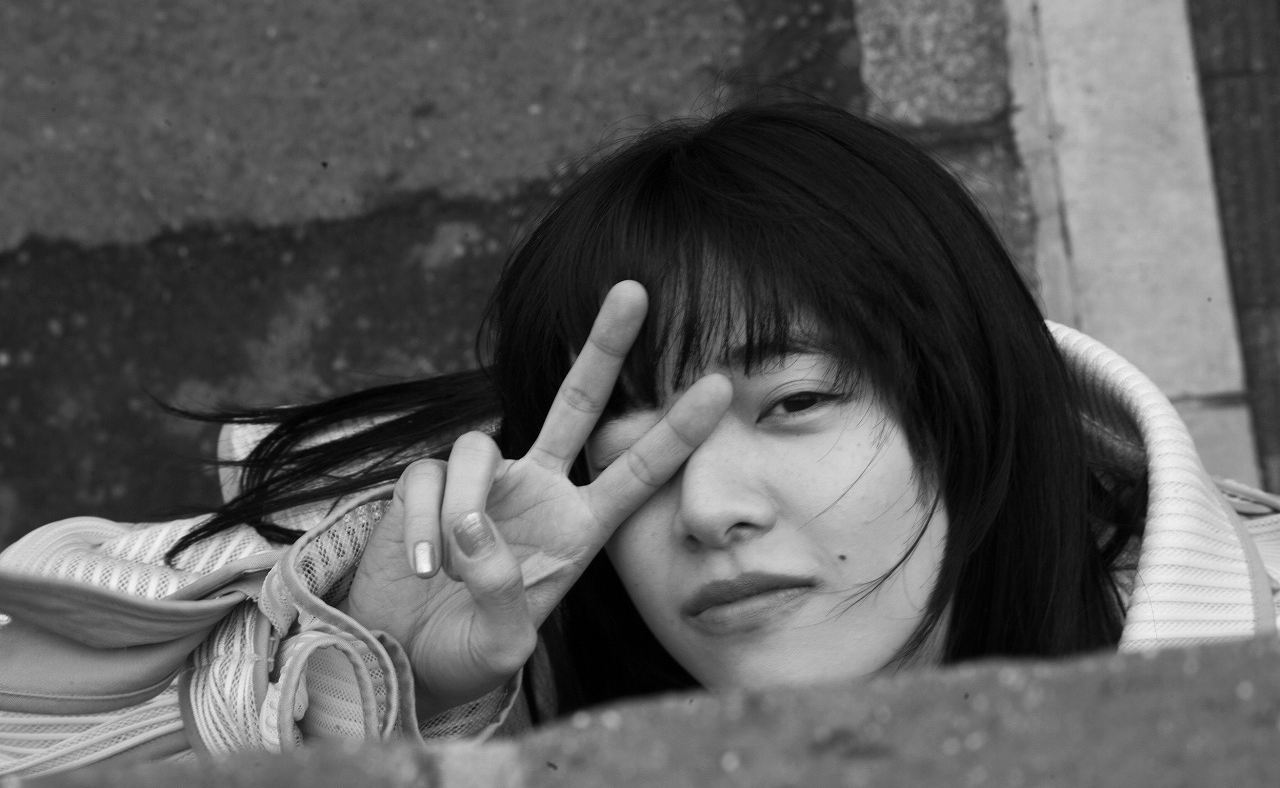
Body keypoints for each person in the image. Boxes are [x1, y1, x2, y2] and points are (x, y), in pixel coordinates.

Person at [2, 99, 1278, 776]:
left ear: (968, 401)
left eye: (794, 404)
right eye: (632, 458)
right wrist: (384, 698)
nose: (707, 510)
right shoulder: (507, 685)